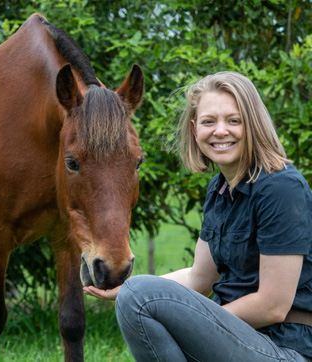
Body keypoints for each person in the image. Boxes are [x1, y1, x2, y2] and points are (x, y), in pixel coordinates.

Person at [84, 71, 312, 361]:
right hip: (236, 342)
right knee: (133, 294)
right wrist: (123, 289)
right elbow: (198, 279)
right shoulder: (219, 190)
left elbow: (273, 305)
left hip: (282, 349)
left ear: (252, 125)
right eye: (208, 122)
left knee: (138, 294)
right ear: (194, 130)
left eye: (234, 120)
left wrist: (198, 322)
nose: (220, 131)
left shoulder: (280, 187)